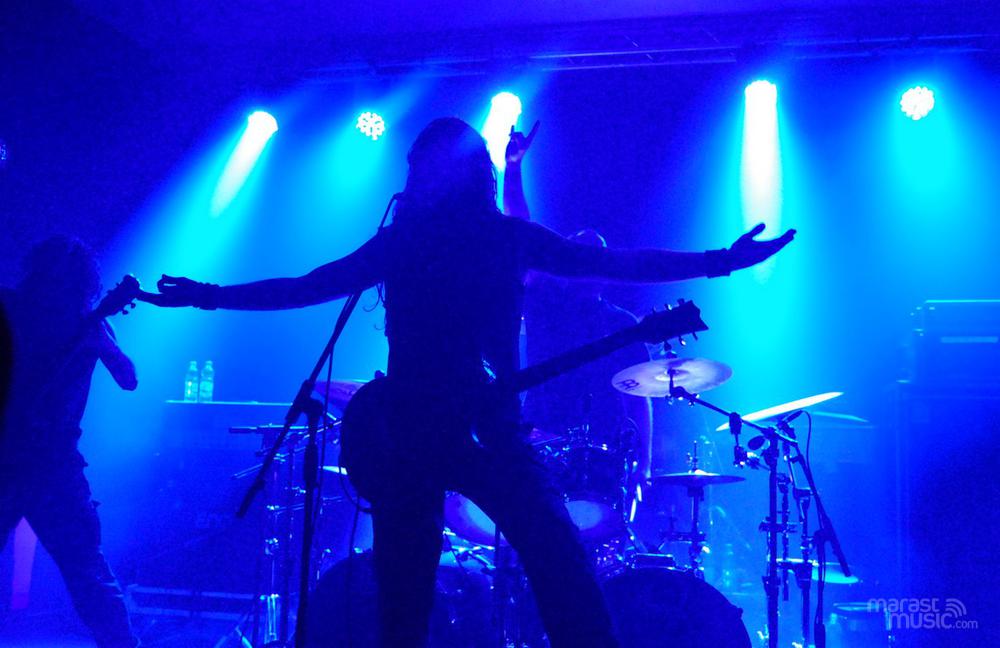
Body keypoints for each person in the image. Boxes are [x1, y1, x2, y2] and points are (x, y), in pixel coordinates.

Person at [149, 116, 794, 647]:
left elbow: (306, 287)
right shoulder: (460, 239)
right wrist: (720, 262)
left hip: (436, 429)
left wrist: (209, 295)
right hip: (461, 428)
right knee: (551, 574)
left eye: (422, 167)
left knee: (452, 590)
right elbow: (615, 263)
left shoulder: (443, 240)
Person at [0, 236, 140, 648]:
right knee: (89, 572)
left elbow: (129, 379)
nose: (55, 285)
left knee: (89, 573)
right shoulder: (9, 308)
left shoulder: (91, 323)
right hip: (13, 463)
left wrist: (101, 342)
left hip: (55, 469)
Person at [503, 123, 655, 489]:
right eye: (578, 254)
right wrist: (513, 169)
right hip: (538, 440)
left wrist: (645, 461)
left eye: (593, 258)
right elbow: (518, 228)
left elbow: (640, 396)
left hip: (602, 451)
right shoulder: (544, 298)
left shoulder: (622, 323)